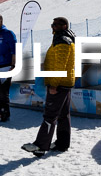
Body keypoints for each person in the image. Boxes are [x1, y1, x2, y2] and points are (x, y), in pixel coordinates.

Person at [22, 17, 76, 157]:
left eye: (56, 25)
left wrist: (54, 84)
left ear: (64, 26)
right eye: (52, 24)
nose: (53, 26)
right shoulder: (62, 38)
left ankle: (41, 145)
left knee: (50, 115)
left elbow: (60, 65)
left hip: (58, 83)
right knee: (63, 115)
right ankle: (62, 144)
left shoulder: (63, 40)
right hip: (63, 83)